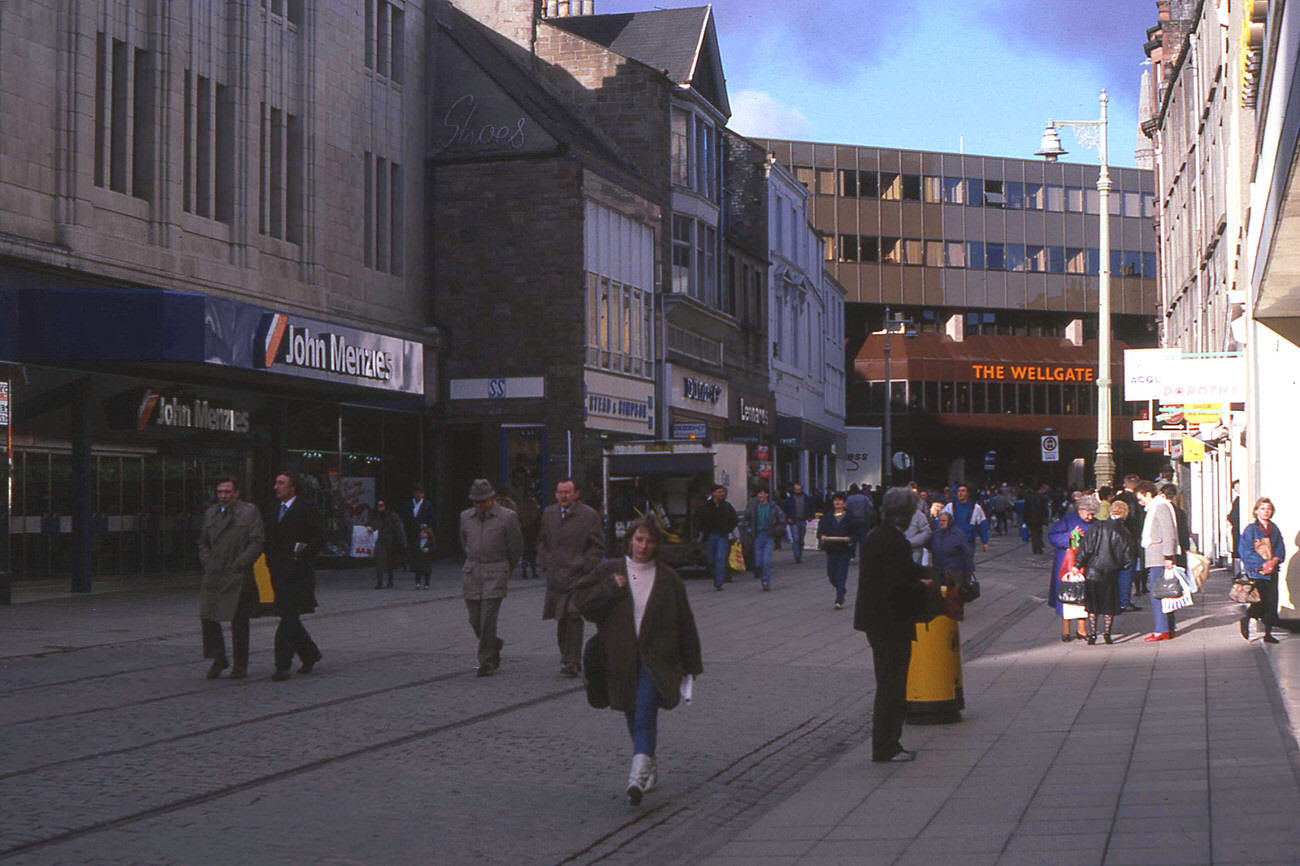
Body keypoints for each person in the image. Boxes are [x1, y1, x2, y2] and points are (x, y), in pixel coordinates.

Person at [573, 518, 703, 805]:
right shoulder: (610, 571)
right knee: (633, 713)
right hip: (620, 659)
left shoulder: (668, 578)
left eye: (649, 541)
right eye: (639, 539)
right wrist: (609, 588)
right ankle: (649, 764)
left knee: (645, 710)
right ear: (629, 540)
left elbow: (685, 622)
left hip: (656, 659)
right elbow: (583, 604)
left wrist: (692, 665)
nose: (643, 546)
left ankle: (636, 778)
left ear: (657, 544)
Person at [854, 487, 934, 763]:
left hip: (875, 621)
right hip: (892, 622)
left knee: (887, 681)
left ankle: (886, 743)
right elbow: (900, 585)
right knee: (892, 685)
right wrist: (923, 587)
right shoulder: (896, 542)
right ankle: (887, 745)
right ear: (906, 513)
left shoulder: (875, 537)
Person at [197, 476, 265, 680]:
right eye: (220, 492)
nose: (223, 496)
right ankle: (218, 657)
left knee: (239, 621)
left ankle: (240, 664)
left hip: (237, 574)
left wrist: (240, 563)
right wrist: (207, 561)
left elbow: (257, 541)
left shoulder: (248, 512)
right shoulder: (211, 513)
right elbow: (202, 542)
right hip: (215, 573)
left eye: (227, 492)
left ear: (236, 493)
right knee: (208, 616)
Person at [538, 478, 605, 677]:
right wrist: (546, 560)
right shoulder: (549, 514)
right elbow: (541, 541)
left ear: (576, 494)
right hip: (556, 576)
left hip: (578, 576)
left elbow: (597, 546)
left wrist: (586, 564)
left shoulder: (588, 515)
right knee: (562, 619)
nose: (563, 496)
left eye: (567, 492)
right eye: (560, 492)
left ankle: (573, 661)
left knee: (574, 617)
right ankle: (566, 656)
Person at [459, 479, 524, 677]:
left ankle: (486, 661)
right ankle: (493, 643)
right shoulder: (465, 517)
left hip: (496, 571)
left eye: (483, 501)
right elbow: (463, 541)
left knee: (487, 617)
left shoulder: (507, 517)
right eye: (476, 502)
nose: (479, 506)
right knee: (474, 619)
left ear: (492, 499)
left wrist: (507, 568)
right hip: (472, 572)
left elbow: (517, 546)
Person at [266, 472, 324, 681]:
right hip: (279, 572)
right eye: (276, 482)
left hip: (299, 572)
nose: (276, 487)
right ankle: (310, 654)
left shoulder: (306, 508)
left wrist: (303, 555)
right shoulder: (273, 509)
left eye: (281, 483)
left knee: (288, 618)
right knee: (289, 617)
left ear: (293, 488)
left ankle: (282, 665)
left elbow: (319, 537)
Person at [1074, 499, 1134, 644]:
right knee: (1109, 604)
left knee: (1093, 604)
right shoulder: (1124, 531)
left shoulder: (1098, 526)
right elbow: (1128, 556)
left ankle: (1093, 634)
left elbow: (1086, 547)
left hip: (1093, 570)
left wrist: (1078, 564)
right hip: (1111, 572)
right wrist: (1123, 566)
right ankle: (1107, 634)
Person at [1048, 493, 1097, 641]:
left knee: (1083, 596)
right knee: (1067, 595)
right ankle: (1065, 629)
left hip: (1085, 563)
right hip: (1066, 563)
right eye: (1088, 514)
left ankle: (1082, 629)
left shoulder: (1096, 523)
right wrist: (1070, 536)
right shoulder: (1068, 519)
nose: (1090, 517)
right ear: (1080, 510)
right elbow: (1053, 536)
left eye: (1092, 514)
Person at [1135, 480, 1179, 642]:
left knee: (1158, 594)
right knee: (1165, 593)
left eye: (1141, 498)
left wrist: (1168, 556)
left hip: (1159, 557)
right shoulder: (1157, 507)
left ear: (1148, 494)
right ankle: (1169, 628)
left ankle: (1161, 629)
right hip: (1158, 556)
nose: (1140, 502)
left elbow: (1169, 533)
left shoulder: (1160, 507)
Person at [1239, 497, 1286, 643]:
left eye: (1269, 509)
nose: (1266, 512)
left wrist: (1275, 560)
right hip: (1256, 572)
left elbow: (1280, 548)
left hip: (1272, 572)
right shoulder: (1251, 530)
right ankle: (1247, 618)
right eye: (1263, 508)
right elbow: (1245, 551)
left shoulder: (1274, 529)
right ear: (1256, 511)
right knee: (1258, 601)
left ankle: (1268, 633)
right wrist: (1261, 564)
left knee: (1271, 602)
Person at [817, 494, 858, 610]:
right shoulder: (827, 517)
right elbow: (821, 530)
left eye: (840, 501)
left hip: (844, 549)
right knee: (831, 574)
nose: (838, 503)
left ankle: (839, 598)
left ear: (844, 503)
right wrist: (822, 537)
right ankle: (841, 588)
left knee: (841, 573)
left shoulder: (850, 518)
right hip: (831, 549)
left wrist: (850, 539)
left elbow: (855, 533)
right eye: (836, 501)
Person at [694, 484, 738, 591]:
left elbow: (734, 519)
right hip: (711, 536)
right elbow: (699, 521)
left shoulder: (727, 506)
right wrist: (699, 532)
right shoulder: (705, 507)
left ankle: (719, 581)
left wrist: (728, 529)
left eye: (722, 492)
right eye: (719, 492)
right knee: (711, 559)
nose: (721, 494)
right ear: (713, 493)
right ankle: (715, 575)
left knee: (720, 558)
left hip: (722, 536)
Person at [743, 487, 785, 591]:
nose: (761, 496)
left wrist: (775, 531)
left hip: (769, 536)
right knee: (758, 562)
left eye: (763, 494)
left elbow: (782, 519)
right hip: (757, 536)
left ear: (767, 495)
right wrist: (749, 530)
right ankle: (759, 572)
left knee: (766, 561)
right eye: (759, 494)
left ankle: (765, 580)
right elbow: (746, 519)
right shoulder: (753, 507)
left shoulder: (773, 507)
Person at [1116, 474, 1146, 601]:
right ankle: (1128, 596)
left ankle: (1120, 597)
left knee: (1120, 568)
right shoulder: (1138, 500)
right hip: (1134, 538)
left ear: (1125, 484)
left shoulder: (1118, 499)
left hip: (1118, 537)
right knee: (1132, 567)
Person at [368, 498, 406, 589]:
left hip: (390, 541)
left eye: (382, 505)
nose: (380, 508)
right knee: (379, 561)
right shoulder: (375, 516)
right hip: (380, 540)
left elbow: (398, 530)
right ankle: (380, 582)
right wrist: (370, 528)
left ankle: (390, 580)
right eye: (378, 506)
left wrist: (402, 542)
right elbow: (372, 525)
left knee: (390, 562)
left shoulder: (392, 516)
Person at [941, 484, 990, 553]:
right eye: (958, 491)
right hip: (952, 541)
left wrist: (985, 542)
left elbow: (982, 524)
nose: (960, 493)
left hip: (968, 541)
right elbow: (940, 522)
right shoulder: (949, 507)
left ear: (968, 493)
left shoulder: (976, 508)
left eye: (963, 491)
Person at [928, 510, 975, 581]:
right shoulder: (936, 534)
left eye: (944, 521)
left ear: (949, 522)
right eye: (940, 521)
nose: (941, 523)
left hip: (954, 574)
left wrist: (968, 572)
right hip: (938, 572)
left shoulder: (958, 535)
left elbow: (967, 553)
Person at [516, 490, 542, 580]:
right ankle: (533, 571)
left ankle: (524, 571)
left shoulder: (522, 510)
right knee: (533, 554)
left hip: (524, 534)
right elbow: (538, 524)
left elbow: (518, 522)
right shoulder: (535, 511)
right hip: (533, 534)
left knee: (525, 554)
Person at [903, 486, 933, 564]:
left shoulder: (919, 515)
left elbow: (927, 532)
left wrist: (910, 542)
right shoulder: (896, 514)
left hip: (914, 552)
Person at [1023, 484, 1050, 555]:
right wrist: (1046, 519)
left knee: (1033, 533)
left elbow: (1025, 510)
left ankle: (1035, 548)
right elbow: (1045, 509)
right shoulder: (1042, 497)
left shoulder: (1028, 498)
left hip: (1031, 518)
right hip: (1040, 518)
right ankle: (1039, 547)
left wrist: (1024, 519)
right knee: (1039, 533)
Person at [410, 525, 435, 589]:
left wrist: (428, 549)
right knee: (418, 572)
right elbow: (414, 547)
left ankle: (426, 584)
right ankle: (417, 583)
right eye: (421, 533)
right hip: (419, 558)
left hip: (427, 559)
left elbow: (433, 548)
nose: (422, 534)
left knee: (427, 572)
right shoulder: (418, 541)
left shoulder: (430, 542)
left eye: (424, 533)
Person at [1227, 480, 1241, 571]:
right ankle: (1237, 570)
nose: (1237, 489)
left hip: (1238, 529)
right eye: (1235, 487)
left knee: (1238, 549)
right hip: (1236, 529)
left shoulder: (1239, 501)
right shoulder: (1237, 501)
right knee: (1236, 549)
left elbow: (1232, 517)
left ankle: (1238, 571)